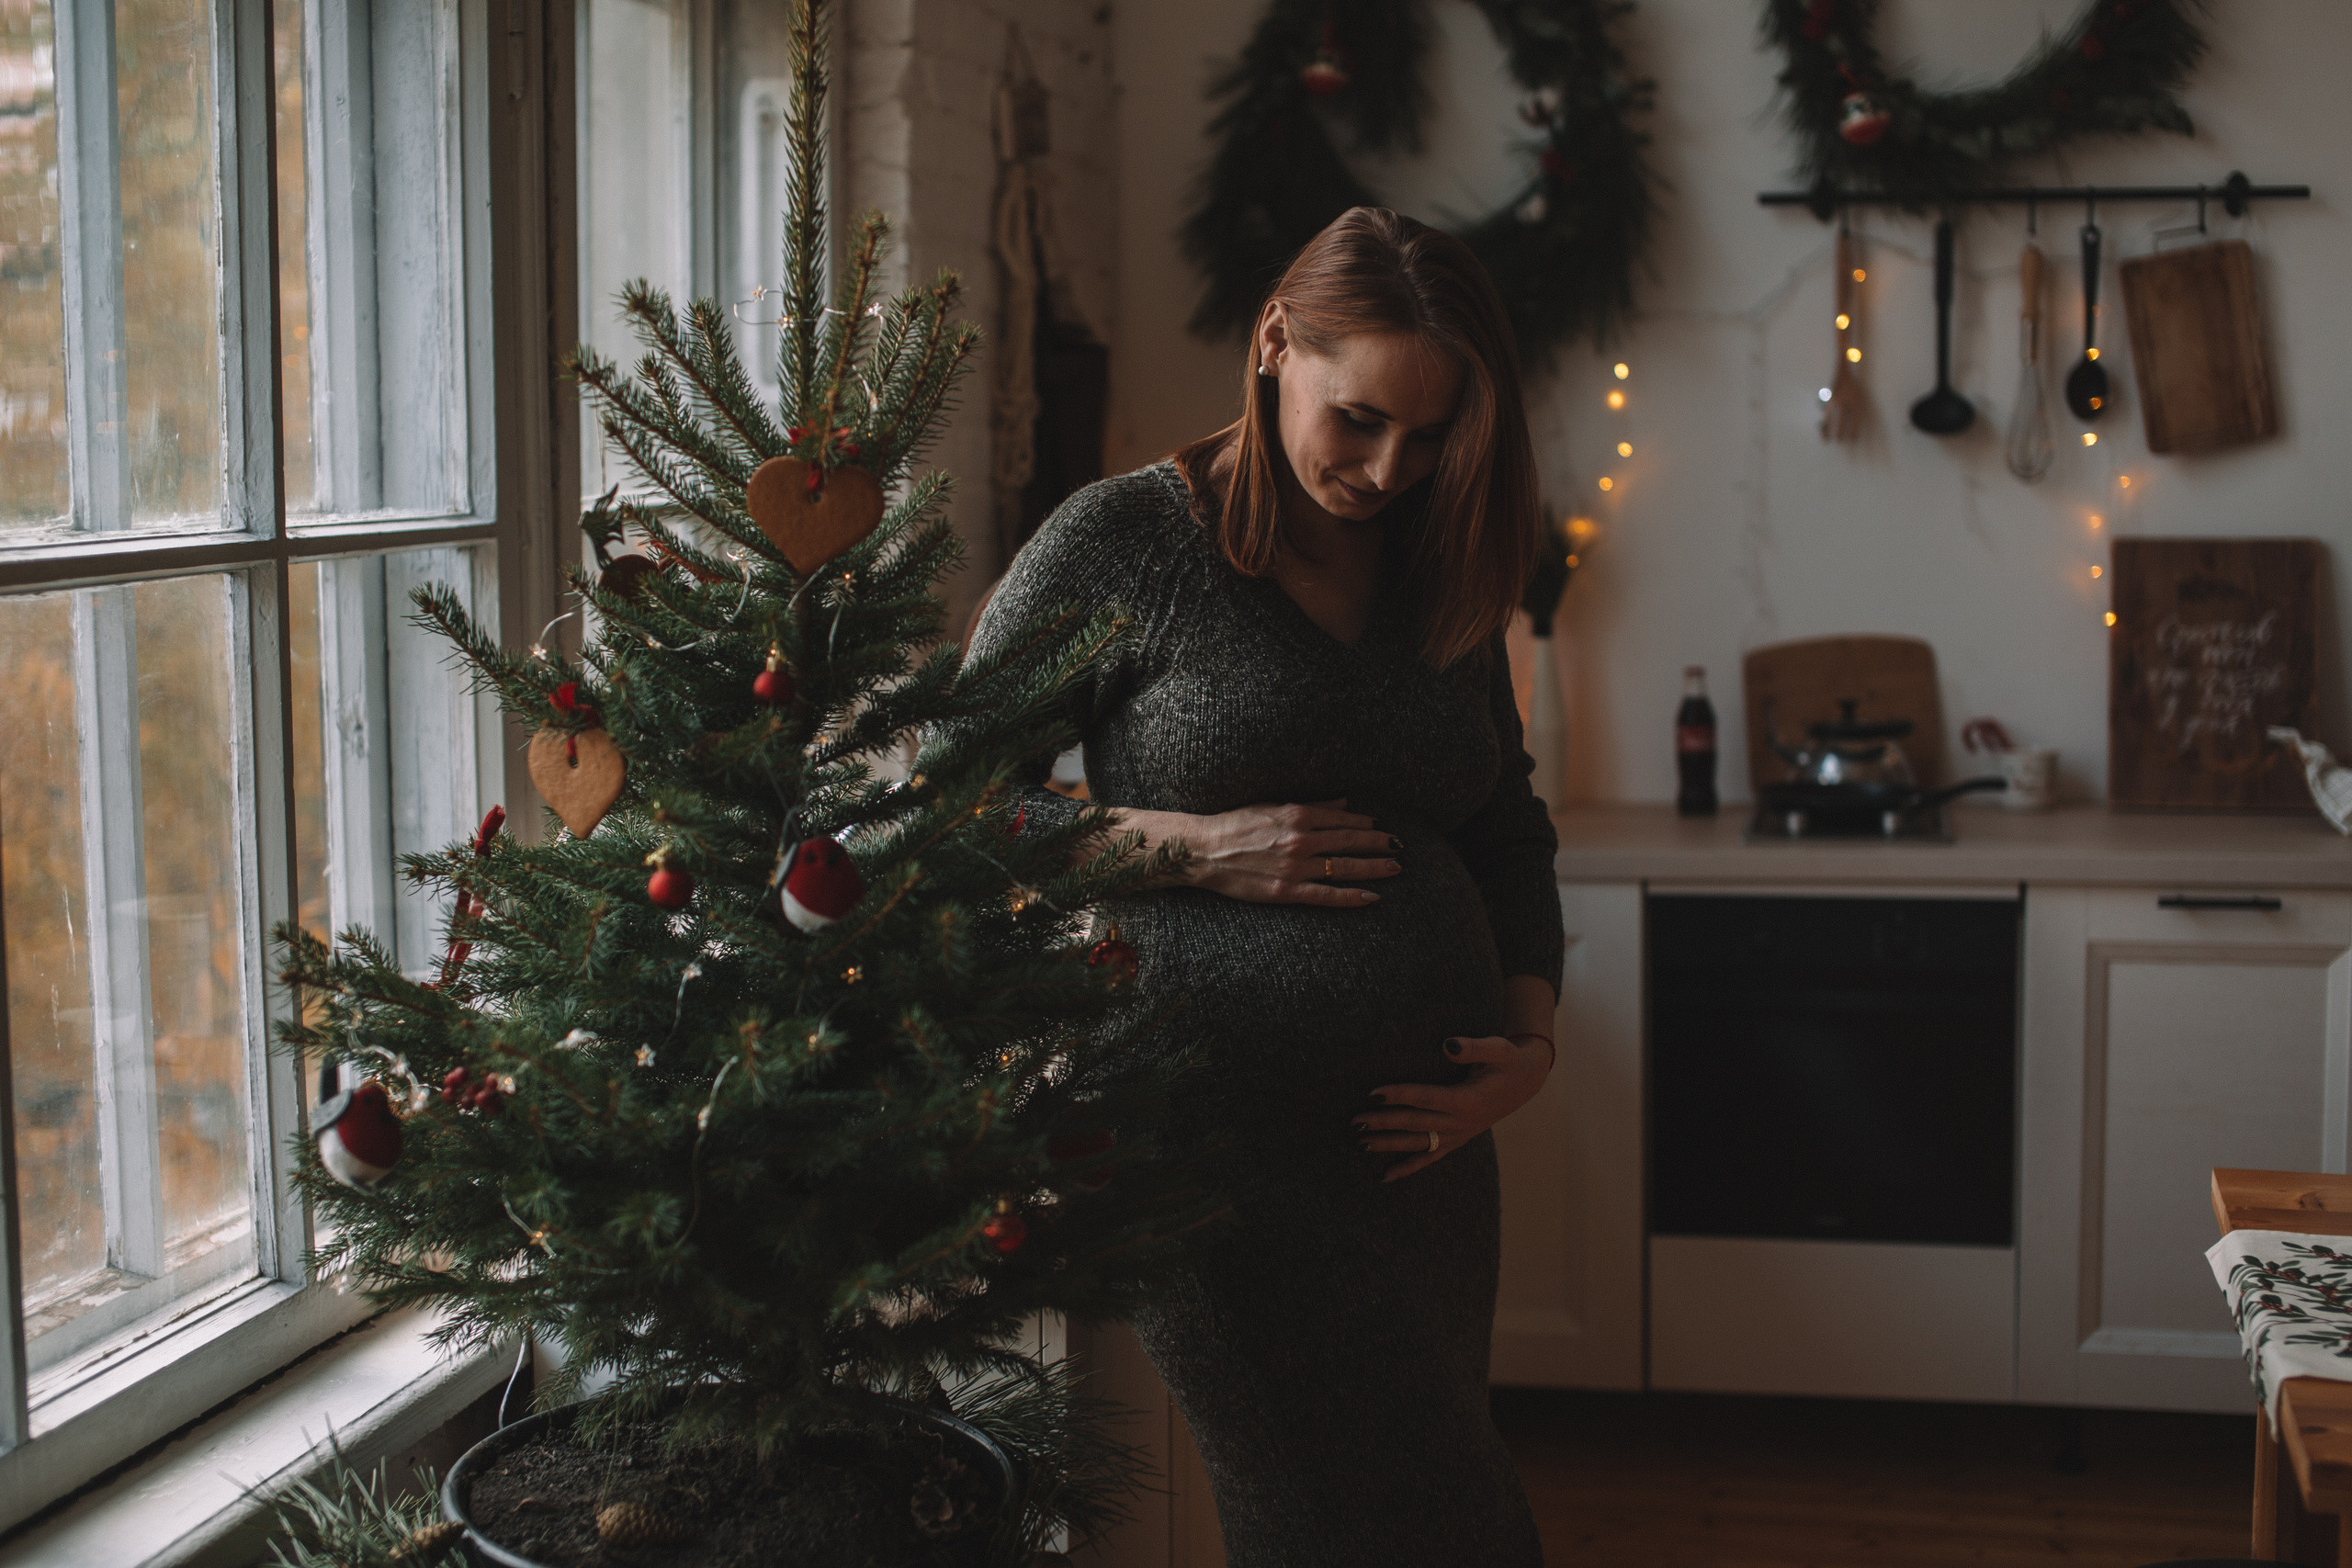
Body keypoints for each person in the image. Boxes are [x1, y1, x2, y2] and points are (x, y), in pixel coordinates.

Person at [965, 206, 1563, 1566]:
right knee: (1324, 1517)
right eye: (1358, 420)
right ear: (1274, 345)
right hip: (1210, 1132)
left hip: (1425, 1154)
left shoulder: (1438, 553)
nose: (1389, 467)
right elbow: (947, 805)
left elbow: (1506, 824)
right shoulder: (1128, 542)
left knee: (1441, 1494)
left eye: (1430, 436)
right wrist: (1196, 846)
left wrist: (1529, 1040)